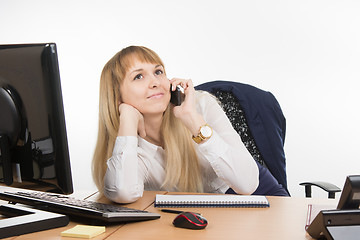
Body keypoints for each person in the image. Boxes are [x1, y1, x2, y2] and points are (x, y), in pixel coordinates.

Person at [92, 46, 260, 204]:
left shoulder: (201, 105)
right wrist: (127, 118)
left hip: (245, 194)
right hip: (194, 216)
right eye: (138, 76)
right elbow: (123, 192)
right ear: (117, 97)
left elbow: (248, 184)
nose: (155, 82)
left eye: (158, 72)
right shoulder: (131, 146)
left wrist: (193, 121)